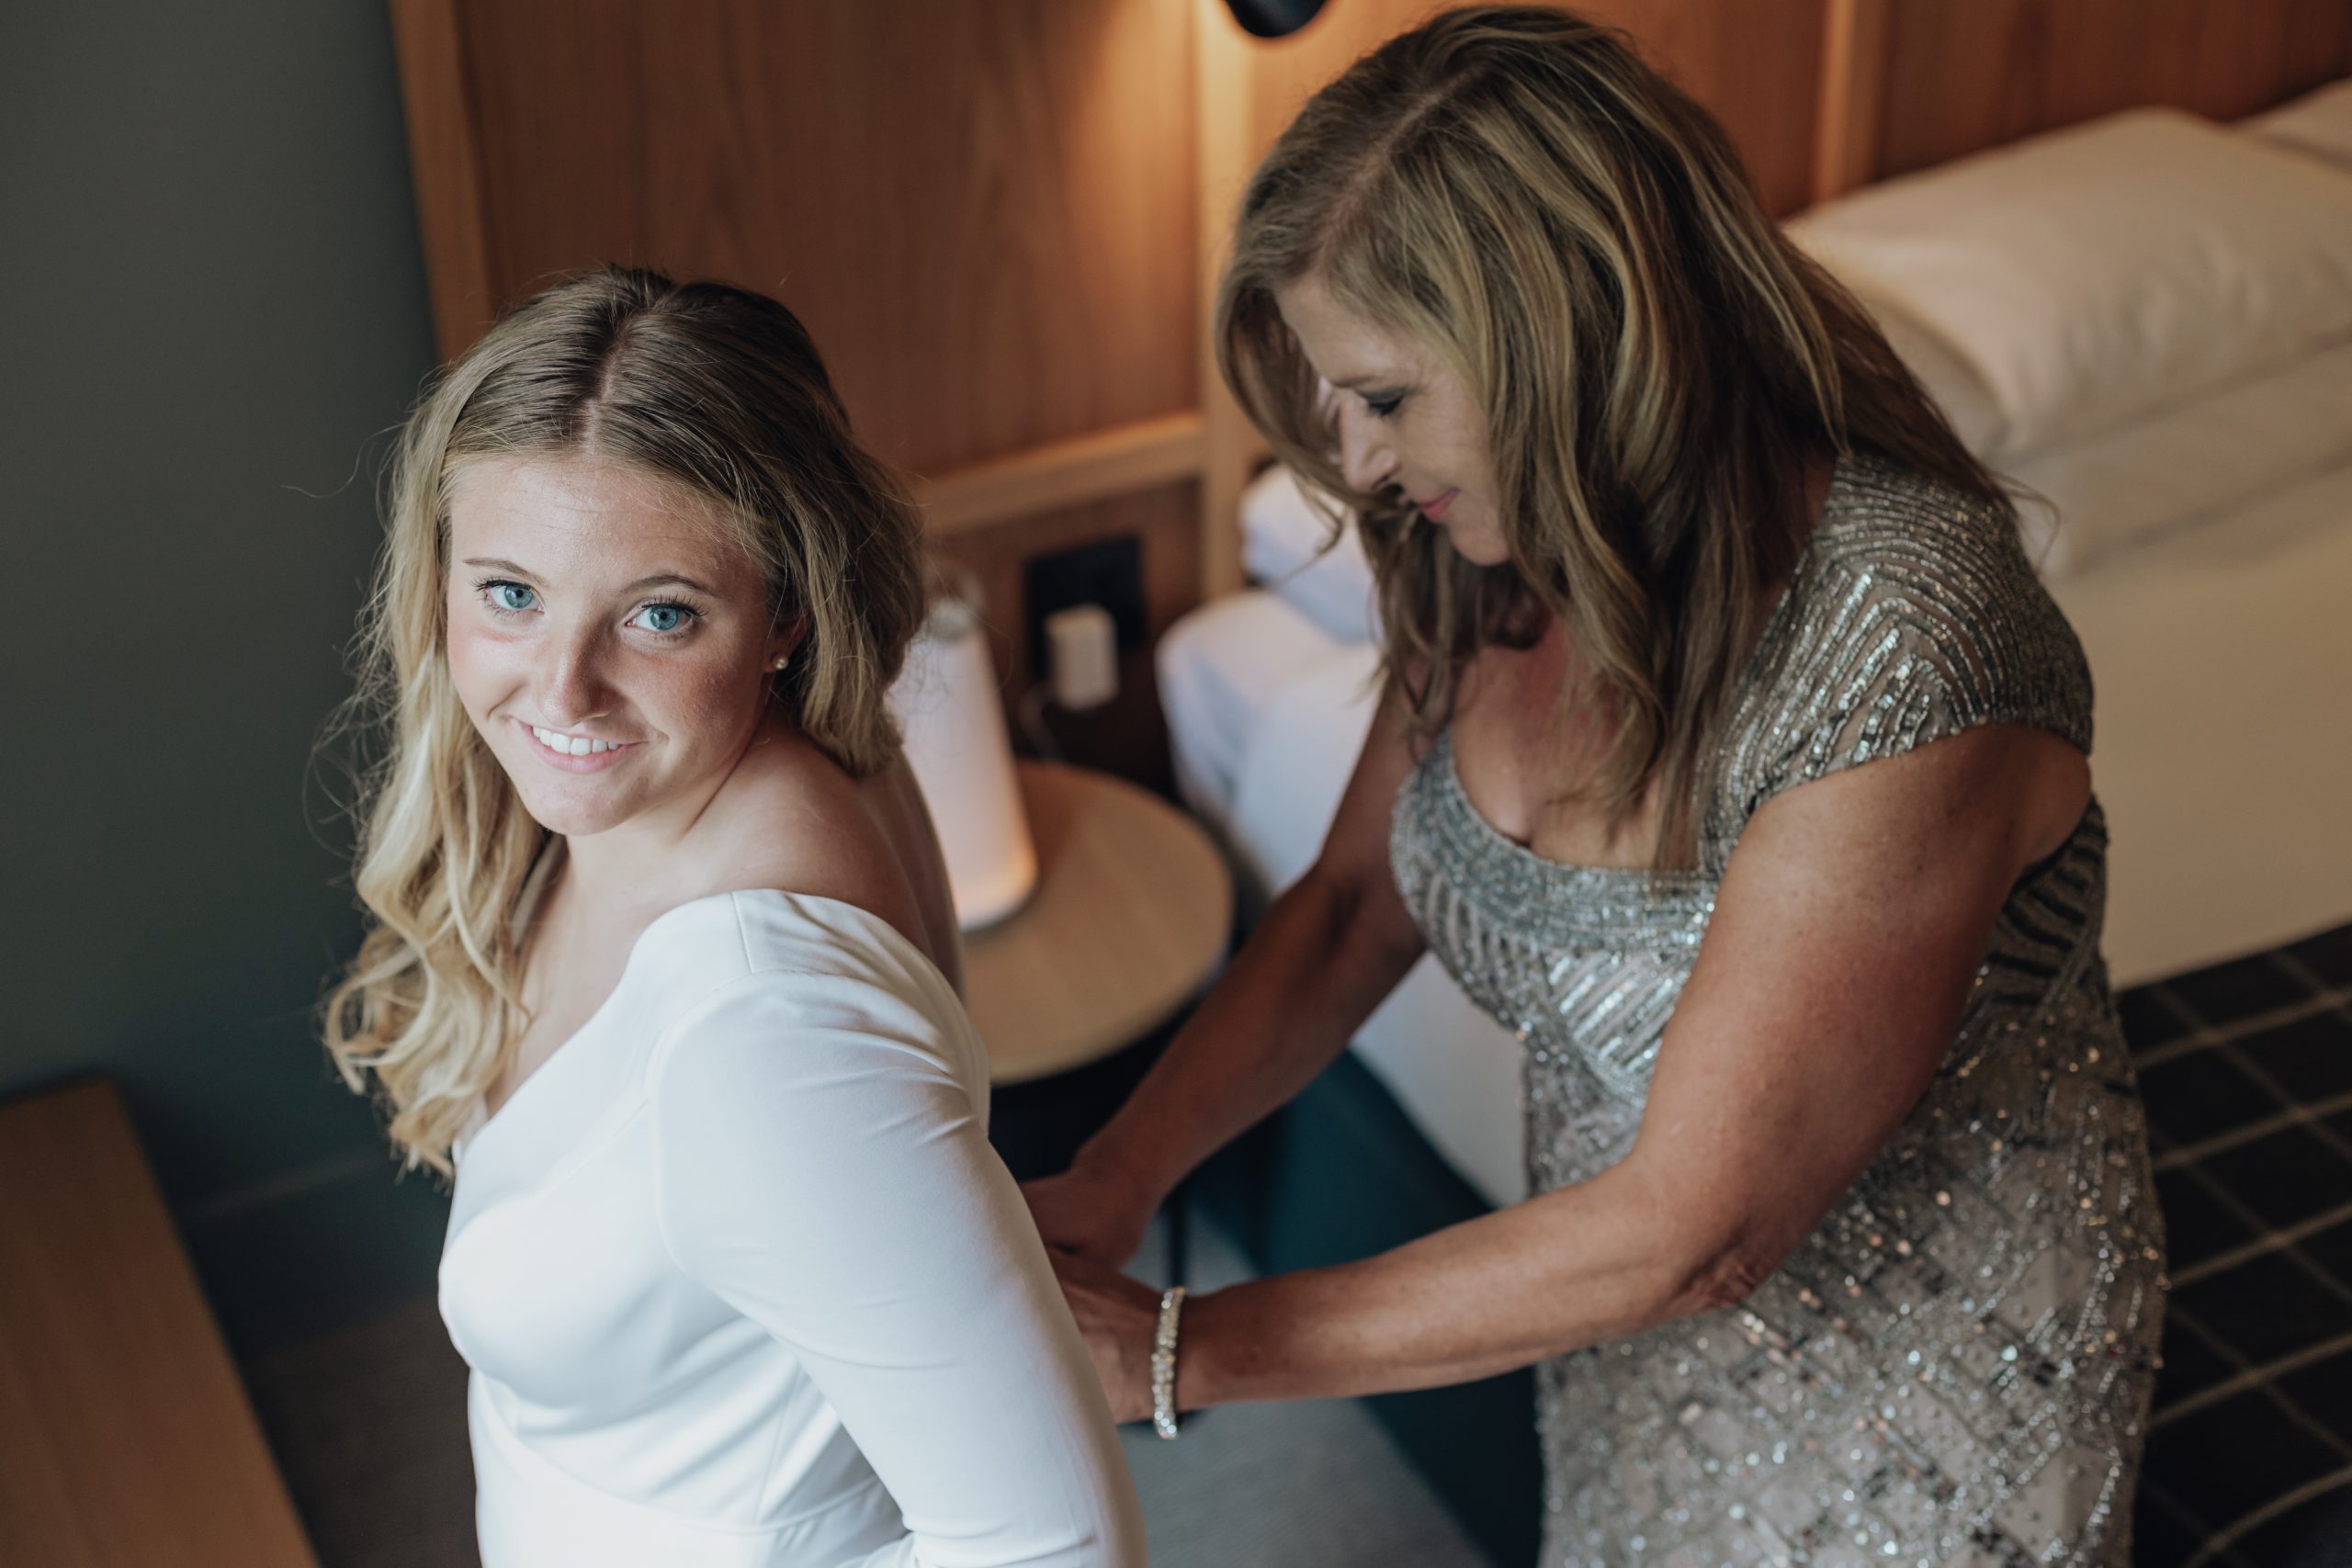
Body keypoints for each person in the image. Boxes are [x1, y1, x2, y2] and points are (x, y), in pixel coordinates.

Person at [1024, 9, 2164, 1565]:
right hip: (1623, 1338)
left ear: (1569, 340)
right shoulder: (1480, 552)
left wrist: (1182, 1346)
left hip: (1923, 1384)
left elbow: (1699, 1228)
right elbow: (1354, 906)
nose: (1357, 463)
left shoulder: (1907, 648)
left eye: (1386, 396)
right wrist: (1120, 1170)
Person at [322, 267, 1145, 1568]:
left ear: (787, 612)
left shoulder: (767, 1029)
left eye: (659, 614)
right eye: (509, 593)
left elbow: (1053, 1545)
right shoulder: (734, 778)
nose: (564, 691)